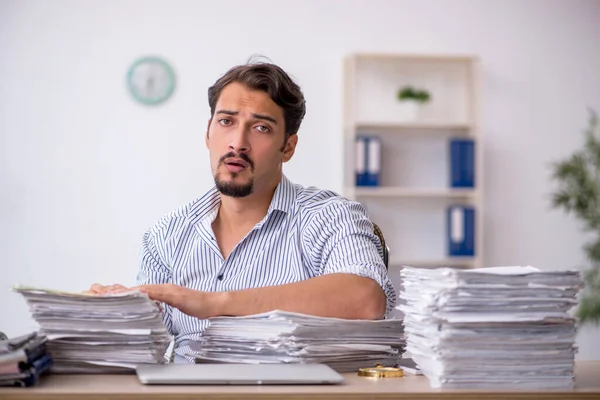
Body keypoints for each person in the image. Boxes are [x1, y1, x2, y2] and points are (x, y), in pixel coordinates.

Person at [86, 58, 396, 362]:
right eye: (226, 121)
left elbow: (365, 299)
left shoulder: (330, 216)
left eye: (261, 127)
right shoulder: (166, 235)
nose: (238, 142)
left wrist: (215, 302)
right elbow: (144, 347)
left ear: (287, 147)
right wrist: (107, 314)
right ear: (208, 132)